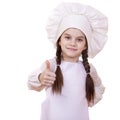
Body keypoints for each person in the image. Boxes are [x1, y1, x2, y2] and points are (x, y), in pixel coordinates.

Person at [28, 2, 108, 120]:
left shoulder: (88, 70)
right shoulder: (52, 65)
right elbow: (32, 81)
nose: (72, 43)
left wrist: (89, 97)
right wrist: (41, 77)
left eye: (79, 39)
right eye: (67, 37)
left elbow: (97, 91)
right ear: (59, 40)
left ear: (86, 45)